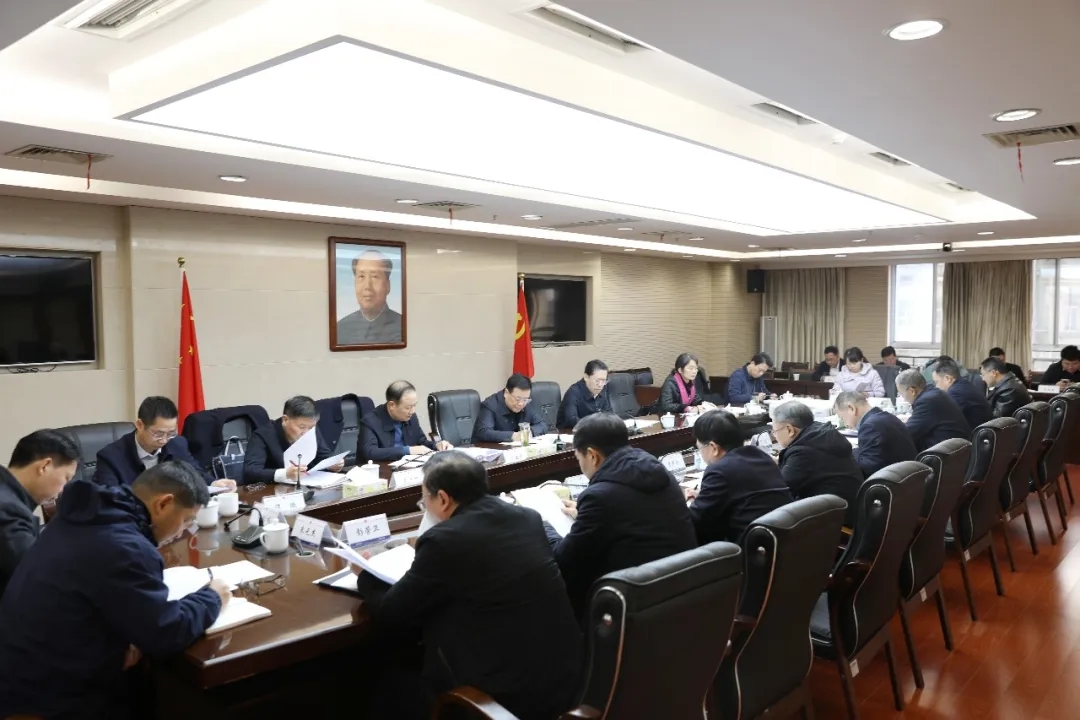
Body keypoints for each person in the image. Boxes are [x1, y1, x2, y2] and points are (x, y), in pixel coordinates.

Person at [354, 451, 581, 720]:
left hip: (502, 698)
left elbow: (393, 612)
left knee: (385, 683)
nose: (425, 506)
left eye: (424, 499)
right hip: (564, 680)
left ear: (443, 499)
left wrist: (364, 574)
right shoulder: (527, 518)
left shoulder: (444, 540)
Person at [0, 462, 231, 719]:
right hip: (50, 696)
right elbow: (165, 632)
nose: (183, 531)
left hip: (20, 670)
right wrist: (212, 597)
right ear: (164, 504)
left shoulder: (84, 516)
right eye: (186, 520)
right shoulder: (126, 546)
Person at [546, 413, 696, 619]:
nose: (579, 463)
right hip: (681, 591)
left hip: (634, 604)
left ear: (592, 455)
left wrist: (542, 524)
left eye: (578, 458)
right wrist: (585, 515)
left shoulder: (599, 497)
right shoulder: (657, 469)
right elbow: (632, 515)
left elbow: (564, 561)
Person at [687, 410, 794, 544]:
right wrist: (704, 496)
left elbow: (696, 522)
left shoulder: (719, 471)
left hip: (753, 548)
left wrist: (688, 502)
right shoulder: (761, 456)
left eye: (700, 448)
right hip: (785, 540)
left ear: (713, 447)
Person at [0, 430, 79, 598]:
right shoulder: (10, 512)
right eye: (66, 478)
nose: (63, 490)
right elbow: (38, 579)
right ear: (44, 466)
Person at [93, 396, 234, 490]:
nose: (164, 440)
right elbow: (108, 499)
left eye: (171, 433)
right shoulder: (111, 457)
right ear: (140, 425)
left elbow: (194, 472)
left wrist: (214, 483)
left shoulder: (177, 444)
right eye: (158, 434)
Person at [772, 401, 861, 524]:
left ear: (789, 429)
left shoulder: (802, 453)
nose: (775, 436)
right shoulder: (823, 433)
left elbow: (779, 493)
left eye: (774, 431)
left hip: (836, 522)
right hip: (851, 509)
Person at [243, 395, 342, 484]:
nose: (306, 432)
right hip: (276, 490)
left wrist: (333, 464)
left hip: (311, 485)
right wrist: (285, 474)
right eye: (301, 427)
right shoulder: (262, 435)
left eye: (311, 427)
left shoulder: (311, 429)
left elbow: (324, 455)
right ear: (285, 420)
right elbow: (251, 471)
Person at [360, 381, 452, 462]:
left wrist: (436, 445)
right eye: (408, 407)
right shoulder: (370, 421)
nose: (413, 411)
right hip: (382, 469)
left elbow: (421, 441)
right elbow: (370, 452)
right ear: (392, 405)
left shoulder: (411, 417)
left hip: (407, 467)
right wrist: (407, 450)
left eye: (414, 405)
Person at [834, 391, 916, 478]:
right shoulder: (888, 417)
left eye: (842, 418)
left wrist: (849, 450)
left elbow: (867, 468)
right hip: (910, 477)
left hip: (893, 481)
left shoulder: (870, 426)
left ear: (851, 408)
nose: (845, 424)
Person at [336, 249, 403, 345]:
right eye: (361, 276)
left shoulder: (404, 327)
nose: (367, 286)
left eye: (374, 276)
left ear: (388, 285)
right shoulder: (340, 329)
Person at [896, 369, 971, 452]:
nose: (903, 398)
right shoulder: (935, 393)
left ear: (912, 391)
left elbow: (906, 434)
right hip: (956, 450)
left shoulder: (926, 401)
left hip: (943, 454)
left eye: (901, 394)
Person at [475, 374, 549, 443]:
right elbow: (483, 432)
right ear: (506, 393)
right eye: (517, 399)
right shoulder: (490, 405)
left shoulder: (526, 403)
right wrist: (513, 436)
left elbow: (542, 425)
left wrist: (529, 432)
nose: (521, 404)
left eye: (525, 399)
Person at [933, 357, 993, 430]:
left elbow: (946, 420)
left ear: (947, 378)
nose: (936, 386)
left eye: (936, 382)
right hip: (980, 430)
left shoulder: (955, 392)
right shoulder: (963, 384)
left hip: (974, 433)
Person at [557, 359, 614, 428]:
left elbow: (609, 414)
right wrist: (596, 424)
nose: (600, 385)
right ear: (586, 377)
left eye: (604, 380)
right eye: (597, 380)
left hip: (594, 431)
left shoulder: (603, 388)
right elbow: (572, 420)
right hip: (570, 432)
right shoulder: (573, 392)